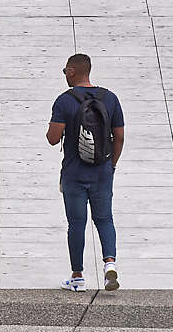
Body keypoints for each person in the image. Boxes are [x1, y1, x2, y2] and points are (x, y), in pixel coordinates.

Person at [46, 54, 125, 292]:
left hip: (74, 173)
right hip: (102, 172)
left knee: (76, 224)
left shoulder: (64, 101)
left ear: (71, 71)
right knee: (105, 220)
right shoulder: (110, 99)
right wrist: (111, 165)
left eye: (65, 71)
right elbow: (119, 137)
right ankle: (109, 263)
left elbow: (52, 139)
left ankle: (77, 276)